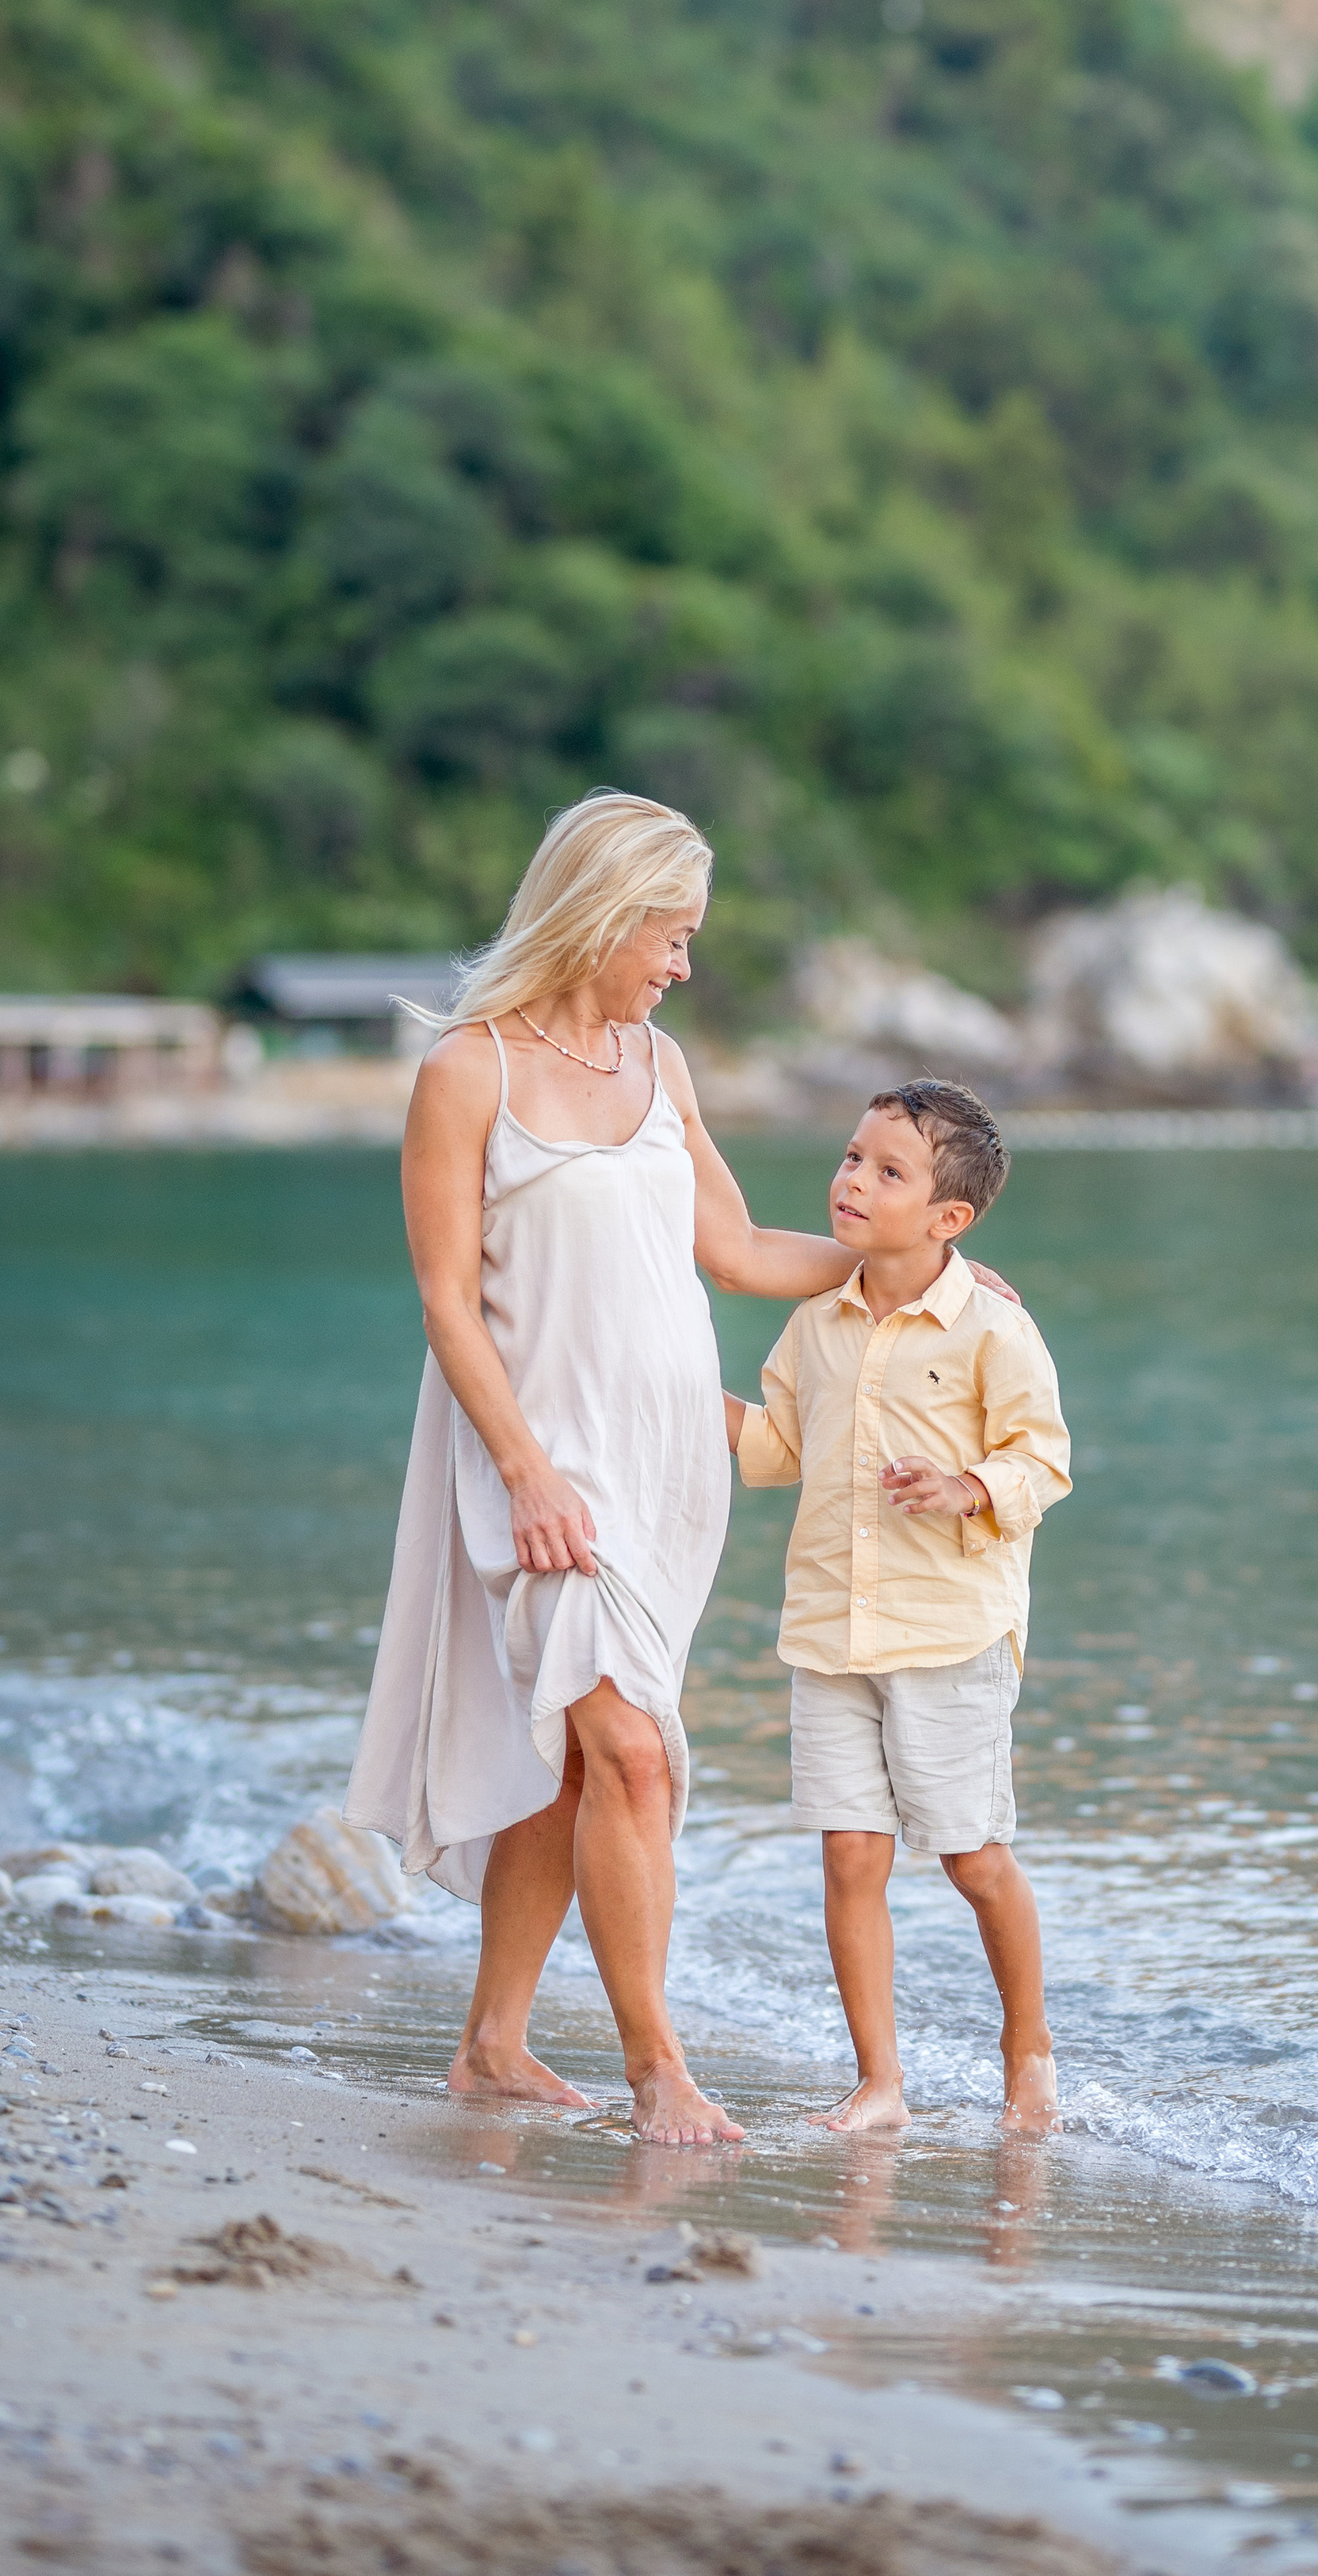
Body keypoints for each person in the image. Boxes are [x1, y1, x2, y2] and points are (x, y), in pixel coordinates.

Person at [345, 792, 1015, 2146]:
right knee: (635, 1755)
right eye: (674, 933)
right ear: (604, 910)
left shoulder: (660, 1063)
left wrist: (911, 1268)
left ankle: (491, 2044)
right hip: (545, 1461)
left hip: (667, 1471)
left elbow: (743, 1255)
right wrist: (527, 1471)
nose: (684, 963)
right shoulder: (467, 1073)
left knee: (582, 1763)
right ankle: (662, 2070)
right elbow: (445, 1305)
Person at [724, 1080, 1071, 2133]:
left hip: (949, 1633)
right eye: (849, 1158)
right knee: (849, 1855)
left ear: (948, 1219)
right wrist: (677, 1384)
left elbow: (1043, 1461)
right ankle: (880, 2082)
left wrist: (968, 1486)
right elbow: (778, 1451)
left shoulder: (992, 1329)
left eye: (887, 1171)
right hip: (832, 1629)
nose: (852, 1181)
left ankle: (1029, 2047)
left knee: (972, 1856)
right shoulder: (817, 1323)